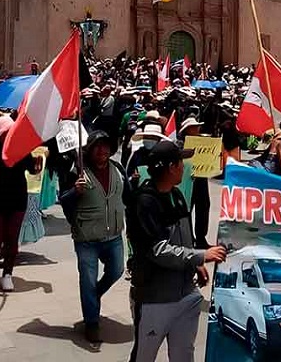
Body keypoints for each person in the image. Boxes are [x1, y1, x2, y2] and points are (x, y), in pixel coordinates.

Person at [126, 140, 227, 362]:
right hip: (154, 298)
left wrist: (196, 264)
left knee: (184, 355)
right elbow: (157, 250)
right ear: (171, 167)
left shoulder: (177, 195)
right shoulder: (144, 202)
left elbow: (185, 235)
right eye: (181, 161)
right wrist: (201, 255)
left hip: (186, 296)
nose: (184, 166)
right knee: (144, 356)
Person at [60, 131, 128, 344]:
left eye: (106, 146)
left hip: (114, 235)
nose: (102, 151)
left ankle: (93, 296)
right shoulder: (77, 172)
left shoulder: (118, 169)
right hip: (86, 239)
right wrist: (74, 192)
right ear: (90, 149)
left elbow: (128, 196)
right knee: (87, 279)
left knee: (117, 270)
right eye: (97, 146)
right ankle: (91, 322)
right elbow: (63, 200)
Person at [0, 115, 41, 292]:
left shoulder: (21, 149)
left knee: (12, 239)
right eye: (5, 132)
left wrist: (36, 166)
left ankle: (7, 274)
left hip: (16, 198)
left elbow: (31, 170)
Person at [180, 116, 211, 249]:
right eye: (195, 127)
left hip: (201, 178)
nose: (198, 129)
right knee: (186, 208)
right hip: (187, 179)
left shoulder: (202, 141)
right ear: (188, 130)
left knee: (203, 207)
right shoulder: (180, 145)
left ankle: (201, 238)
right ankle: (188, 237)